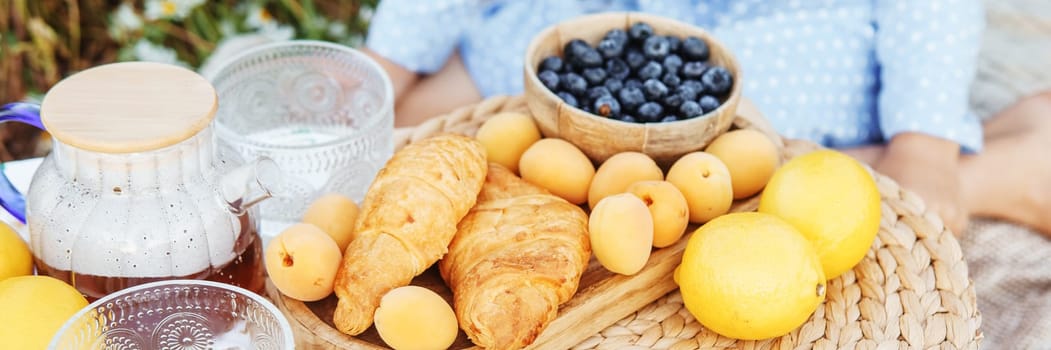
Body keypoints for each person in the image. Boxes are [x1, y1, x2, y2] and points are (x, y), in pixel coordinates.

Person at [361, 0, 1051, 240]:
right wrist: (384, 64)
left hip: (788, 26)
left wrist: (923, 146)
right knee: (441, 109)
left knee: (760, 113)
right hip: (604, 10)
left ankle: (979, 175)